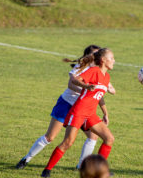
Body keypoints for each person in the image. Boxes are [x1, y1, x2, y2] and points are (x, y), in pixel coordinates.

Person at [15, 45, 115, 170]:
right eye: (95, 53)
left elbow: (101, 92)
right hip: (67, 104)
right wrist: (87, 88)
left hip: (84, 109)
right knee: (50, 137)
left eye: (98, 53)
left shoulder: (99, 71)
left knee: (93, 136)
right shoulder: (81, 67)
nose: (96, 55)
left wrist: (104, 102)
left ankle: (81, 167)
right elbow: (71, 84)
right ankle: (26, 159)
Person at [41, 48, 115, 177]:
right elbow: (75, 79)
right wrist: (86, 86)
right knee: (68, 143)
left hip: (91, 114)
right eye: (112, 58)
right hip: (79, 111)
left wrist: (105, 113)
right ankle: (47, 170)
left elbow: (99, 95)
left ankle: (100, 170)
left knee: (109, 139)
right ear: (103, 60)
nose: (114, 61)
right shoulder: (93, 71)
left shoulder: (106, 77)